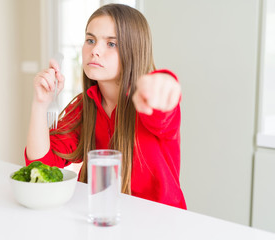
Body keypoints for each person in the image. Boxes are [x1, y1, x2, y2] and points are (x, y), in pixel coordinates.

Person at [25, 3, 186, 209]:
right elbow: (41, 167)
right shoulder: (84, 106)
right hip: (105, 221)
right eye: (90, 40)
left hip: (161, 227)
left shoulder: (149, 102)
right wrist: (40, 103)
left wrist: (165, 82)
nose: (95, 51)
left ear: (133, 50)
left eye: (111, 44)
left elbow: (164, 99)